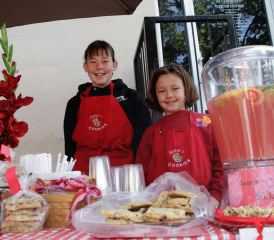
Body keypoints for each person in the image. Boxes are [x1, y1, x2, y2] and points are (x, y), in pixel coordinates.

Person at [135, 64, 223, 206]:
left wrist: (215, 198)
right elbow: (140, 175)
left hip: (204, 205)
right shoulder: (150, 133)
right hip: (162, 209)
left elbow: (221, 164)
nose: (169, 95)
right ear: (155, 95)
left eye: (175, 89)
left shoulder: (206, 123)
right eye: (161, 91)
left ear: (186, 89)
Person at [64, 40, 151, 175]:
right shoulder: (75, 102)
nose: (99, 67)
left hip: (123, 171)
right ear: (85, 66)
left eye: (105, 61)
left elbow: (143, 140)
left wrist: (141, 173)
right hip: (84, 172)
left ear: (114, 65)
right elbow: (69, 147)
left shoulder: (131, 98)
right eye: (92, 62)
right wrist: (68, 176)